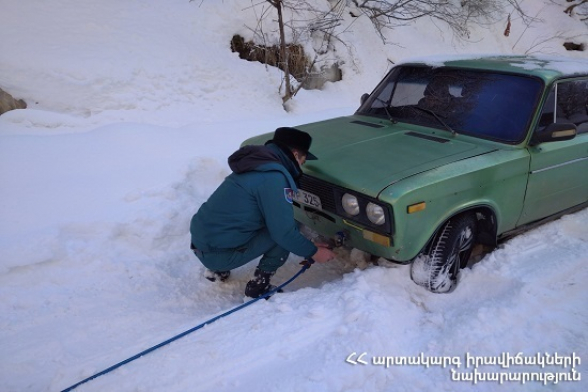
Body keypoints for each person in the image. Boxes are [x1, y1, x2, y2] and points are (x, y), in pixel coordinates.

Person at [189, 127, 336, 298]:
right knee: (288, 227)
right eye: (303, 160)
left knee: (257, 220)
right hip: (217, 254)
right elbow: (284, 233)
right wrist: (314, 252)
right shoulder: (273, 179)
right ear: (295, 155)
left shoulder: (256, 166)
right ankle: (259, 285)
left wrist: (308, 246)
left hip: (201, 242)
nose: (302, 165)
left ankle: (217, 270)